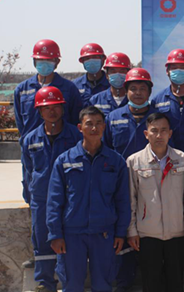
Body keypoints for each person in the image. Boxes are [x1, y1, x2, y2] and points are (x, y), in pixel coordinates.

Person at [46, 106, 130, 292]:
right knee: (72, 284)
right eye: (89, 124)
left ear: (104, 127)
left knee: (103, 284)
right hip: (72, 234)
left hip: (104, 233)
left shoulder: (116, 161)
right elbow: (54, 201)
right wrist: (55, 234)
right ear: (80, 127)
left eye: (99, 123)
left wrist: (120, 232)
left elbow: (123, 200)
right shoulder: (65, 161)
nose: (94, 128)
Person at [21, 87, 82, 292]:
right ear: (39, 111)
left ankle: (70, 284)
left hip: (71, 199)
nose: (52, 111)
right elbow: (28, 171)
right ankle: (45, 283)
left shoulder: (76, 136)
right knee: (42, 240)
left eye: (56, 106)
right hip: (42, 199)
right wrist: (31, 196)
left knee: (70, 241)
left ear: (63, 108)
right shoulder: (30, 140)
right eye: (47, 108)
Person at [103, 67, 158, 291]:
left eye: (142, 88)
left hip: (152, 185)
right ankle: (124, 282)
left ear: (149, 92)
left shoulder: (158, 119)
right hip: (120, 185)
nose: (138, 93)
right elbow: (105, 151)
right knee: (123, 230)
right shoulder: (113, 118)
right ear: (126, 91)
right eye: (133, 88)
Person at [127, 112, 184, 292]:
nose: (159, 135)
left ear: (170, 133)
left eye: (164, 130)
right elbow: (130, 199)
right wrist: (132, 230)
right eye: (154, 131)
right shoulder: (134, 161)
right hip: (148, 233)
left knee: (175, 282)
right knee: (151, 283)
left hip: (177, 232)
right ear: (146, 134)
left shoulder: (181, 159)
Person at [14, 39, 83, 140]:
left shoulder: (69, 88)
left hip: (64, 143)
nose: (44, 63)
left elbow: (76, 118)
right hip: (33, 145)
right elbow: (20, 122)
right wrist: (28, 141)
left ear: (57, 62)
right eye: (40, 60)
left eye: (49, 60)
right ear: (34, 61)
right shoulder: (22, 89)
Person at [89, 53, 131, 117]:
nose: (117, 75)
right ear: (106, 75)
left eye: (122, 71)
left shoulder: (135, 100)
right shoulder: (96, 100)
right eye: (113, 71)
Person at [73, 43, 110, 107]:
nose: (91, 61)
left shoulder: (111, 84)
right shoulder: (75, 85)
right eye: (87, 58)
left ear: (103, 60)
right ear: (82, 61)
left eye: (95, 57)